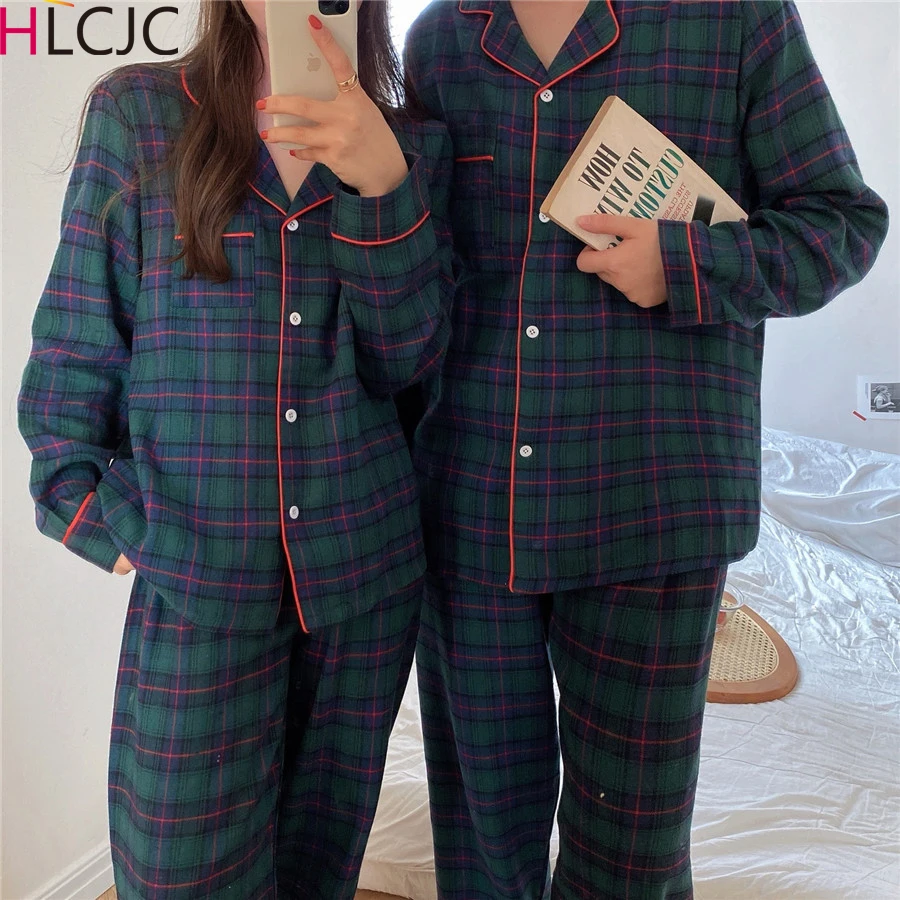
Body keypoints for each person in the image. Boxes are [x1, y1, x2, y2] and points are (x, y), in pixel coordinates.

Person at [402, 2, 888, 898]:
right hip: (470, 502)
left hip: (654, 503)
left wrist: (689, 264)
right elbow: (424, 270)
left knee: (632, 859)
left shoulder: (736, 18)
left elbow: (843, 225)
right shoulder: (438, 37)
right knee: (479, 845)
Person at [17, 1, 452, 897]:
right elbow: (75, 354)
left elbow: (406, 363)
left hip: (362, 591)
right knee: (178, 873)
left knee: (317, 874)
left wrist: (382, 186)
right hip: (199, 592)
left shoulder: (411, 147)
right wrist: (115, 525)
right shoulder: (139, 117)